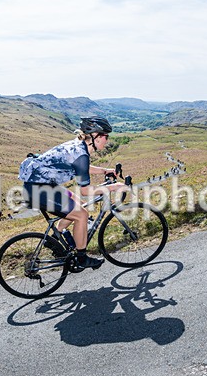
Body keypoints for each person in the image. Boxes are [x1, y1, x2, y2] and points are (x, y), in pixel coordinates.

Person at [18, 116, 127, 271]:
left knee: (78, 204)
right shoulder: (81, 154)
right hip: (38, 190)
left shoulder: (79, 147)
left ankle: (54, 239)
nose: (107, 140)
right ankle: (82, 258)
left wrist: (105, 171)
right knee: (81, 215)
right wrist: (113, 187)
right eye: (105, 136)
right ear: (95, 136)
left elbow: (81, 167)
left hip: (42, 186)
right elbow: (85, 190)